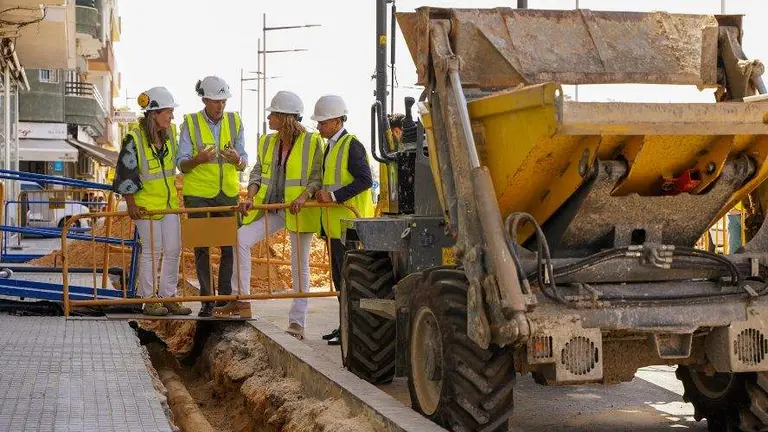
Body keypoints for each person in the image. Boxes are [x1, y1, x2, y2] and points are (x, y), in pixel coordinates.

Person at [233, 90, 323, 337]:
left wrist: (303, 197)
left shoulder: (312, 142)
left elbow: (316, 177)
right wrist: (250, 197)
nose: (269, 117)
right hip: (273, 209)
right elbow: (257, 173)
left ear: (285, 117)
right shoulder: (267, 142)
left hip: (298, 211)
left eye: (273, 113)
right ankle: (241, 300)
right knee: (241, 238)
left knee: (299, 264)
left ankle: (297, 322)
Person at [112, 87, 191, 317]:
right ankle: (150, 300)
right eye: (168, 112)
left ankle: (168, 297)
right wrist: (132, 204)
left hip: (168, 204)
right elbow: (125, 171)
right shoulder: (134, 138)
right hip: (145, 206)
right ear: (154, 113)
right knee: (152, 251)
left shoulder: (170, 134)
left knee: (174, 249)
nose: (171, 116)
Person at [177, 76, 248, 317]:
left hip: (227, 194)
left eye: (224, 100)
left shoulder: (235, 121)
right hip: (198, 195)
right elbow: (182, 165)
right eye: (216, 101)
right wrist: (198, 160)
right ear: (205, 99)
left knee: (229, 247)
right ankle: (207, 300)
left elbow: (244, 162)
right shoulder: (191, 123)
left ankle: (224, 299)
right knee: (202, 248)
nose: (221, 106)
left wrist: (237, 160)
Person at [312, 95, 374, 345]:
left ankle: (353, 330)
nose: (318, 127)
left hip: (349, 227)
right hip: (335, 227)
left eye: (322, 123)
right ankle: (344, 326)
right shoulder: (331, 146)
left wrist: (334, 196)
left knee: (350, 281)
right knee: (340, 281)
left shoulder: (352, 145)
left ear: (337, 121)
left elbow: (365, 180)